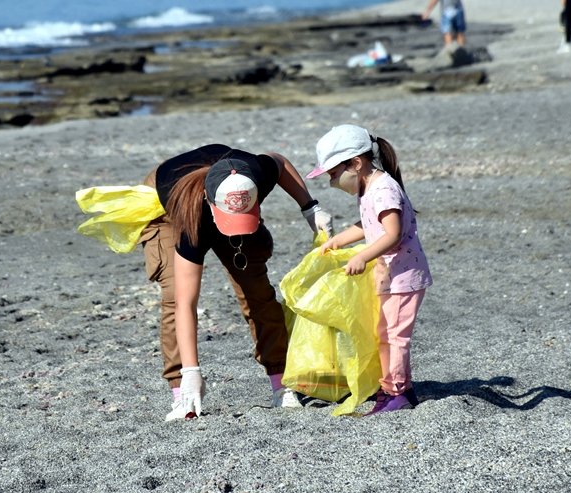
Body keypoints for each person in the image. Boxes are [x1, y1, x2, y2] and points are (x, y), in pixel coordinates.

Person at [139, 144, 332, 420]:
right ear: (209, 200)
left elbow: (278, 162)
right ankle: (183, 393)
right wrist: (192, 371)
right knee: (174, 294)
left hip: (227, 195)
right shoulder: (189, 215)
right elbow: (186, 303)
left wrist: (310, 208)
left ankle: (281, 383)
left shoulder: (254, 173)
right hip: (169, 209)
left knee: (255, 288)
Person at [307, 125, 432, 414]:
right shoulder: (370, 187)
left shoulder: (383, 188)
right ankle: (402, 387)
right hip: (389, 274)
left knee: (394, 335)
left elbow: (392, 233)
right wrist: (338, 240)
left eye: (334, 174)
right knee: (383, 333)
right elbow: (369, 225)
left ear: (356, 163)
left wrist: (363, 256)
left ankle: (395, 392)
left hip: (404, 276)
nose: (332, 182)